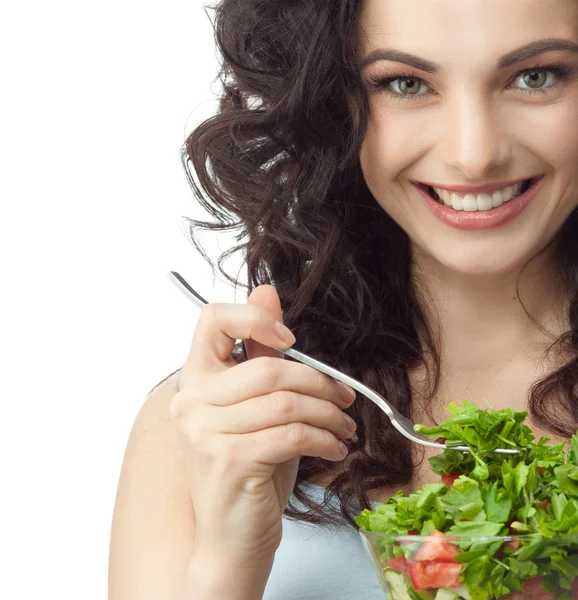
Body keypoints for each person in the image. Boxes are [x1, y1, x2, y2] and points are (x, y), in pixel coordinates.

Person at [108, 0, 578, 598]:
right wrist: (231, 558)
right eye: (405, 83)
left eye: (535, 77)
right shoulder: (203, 431)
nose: (474, 153)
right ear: (330, 105)